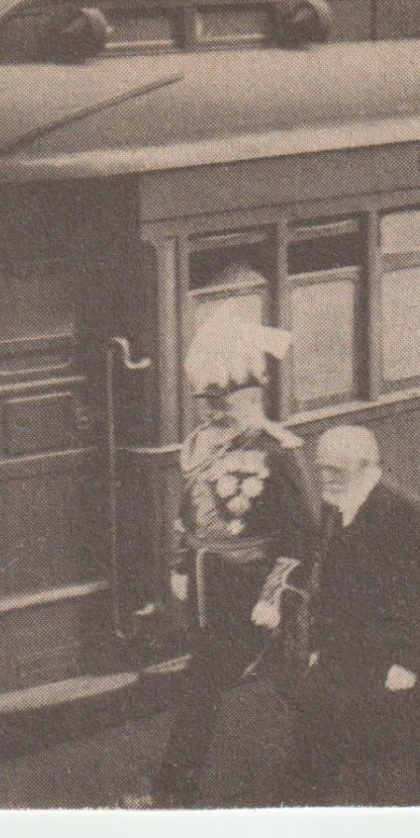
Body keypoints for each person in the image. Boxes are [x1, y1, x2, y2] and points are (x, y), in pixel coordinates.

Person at [132, 304, 319, 808]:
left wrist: (276, 594)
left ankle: (333, 761)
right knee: (208, 688)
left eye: (225, 398)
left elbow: (302, 534)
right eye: (208, 399)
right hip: (209, 585)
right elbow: (186, 512)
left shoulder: (277, 450)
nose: (215, 409)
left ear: (253, 395)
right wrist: (177, 564)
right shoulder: (197, 444)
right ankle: (173, 792)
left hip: (254, 585)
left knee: (292, 684)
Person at [281, 426, 420, 803]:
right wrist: (317, 645)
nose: (325, 478)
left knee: (416, 752)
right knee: (315, 734)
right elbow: (326, 579)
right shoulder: (334, 505)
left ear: (364, 465)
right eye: (321, 468)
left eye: (334, 470)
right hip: (343, 649)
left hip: (395, 655)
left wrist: (407, 662)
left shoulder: (404, 510)